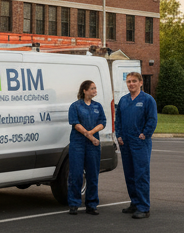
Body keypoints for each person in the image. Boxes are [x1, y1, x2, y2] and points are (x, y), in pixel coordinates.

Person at [114, 71, 158, 218]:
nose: (131, 84)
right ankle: (135, 202)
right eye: (128, 81)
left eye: (134, 81)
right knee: (130, 175)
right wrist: (119, 135)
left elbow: (152, 119)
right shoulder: (123, 100)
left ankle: (144, 207)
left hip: (140, 143)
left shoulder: (147, 100)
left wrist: (145, 134)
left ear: (140, 83)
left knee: (141, 174)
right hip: (125, 142)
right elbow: (118, 120)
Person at [67, 79, 106, 215]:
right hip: (78, 144)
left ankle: (92, 204)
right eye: (92, 88)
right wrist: (90, 136)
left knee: (93, 174)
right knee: (76, 174)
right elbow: (75, 124)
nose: (95, 91)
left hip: (92, 146)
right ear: (85, 90)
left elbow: (103, 122)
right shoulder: (75, 106)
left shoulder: (98, 106)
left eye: (95, 88)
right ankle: (74, 203)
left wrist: (91, 133)